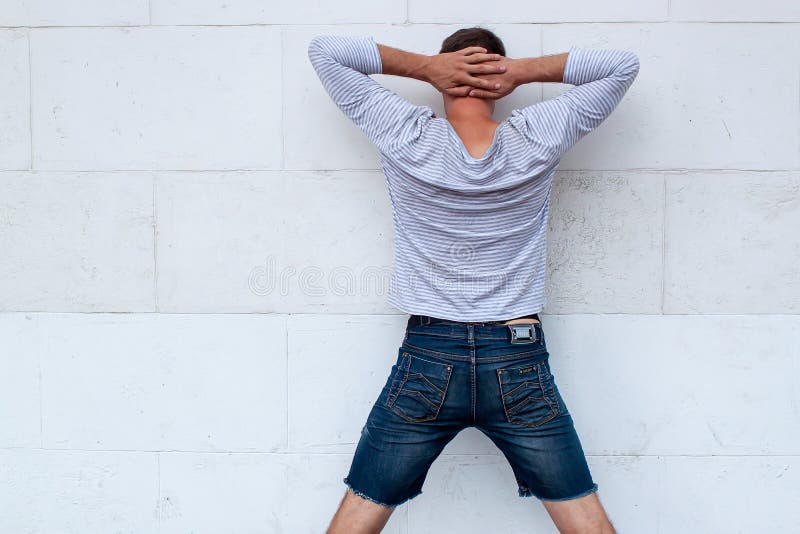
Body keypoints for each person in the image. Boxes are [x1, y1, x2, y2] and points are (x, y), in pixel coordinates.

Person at [308, 26, 639, 534]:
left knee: (357, 517)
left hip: (428, 355)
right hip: (517, 355)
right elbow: (621, 66)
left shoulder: (406, 132)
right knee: (585, 520)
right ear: (498, 81)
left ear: (442, 79)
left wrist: (423, 66)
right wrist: (520, 72)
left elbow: (326, 51)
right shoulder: (536, 134)